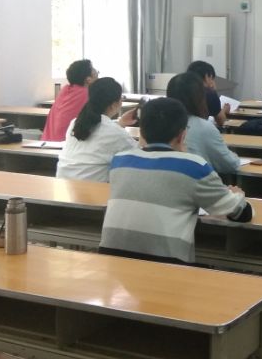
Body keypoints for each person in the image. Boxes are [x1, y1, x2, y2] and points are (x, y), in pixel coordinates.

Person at [99, 97, 252, 264]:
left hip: (112, 261)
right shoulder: (193, 166)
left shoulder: (119, 161)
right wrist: (238, 195)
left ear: (141, 131)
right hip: (167, 267)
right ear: (182, 134)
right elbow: (241, 214)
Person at [56, 77, 137, 182]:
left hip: (63, 184)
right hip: (89, 189)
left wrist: (120, 123)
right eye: (121, 98)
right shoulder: (114, 132)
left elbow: (101, 131)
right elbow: (139, 152)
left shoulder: (75, 122)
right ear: (113, 105)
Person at [167, 71, 241, 175]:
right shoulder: (203, 127)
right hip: (197, 182)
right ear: (199, 97)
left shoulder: (161, 123)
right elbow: (231, 164)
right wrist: (235, 156)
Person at [43, 59, 97, 141]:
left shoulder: (64, 90)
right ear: (88, 79)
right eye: (96, 72)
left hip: (48, 140)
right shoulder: (87, 94)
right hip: (66, 143)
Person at [187, 60, 231, 125]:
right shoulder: (208, 94)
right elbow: (221, 121)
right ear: (207, 77)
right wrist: (224, 110)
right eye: (212, 78)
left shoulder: (180, 89)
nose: (213, 81)